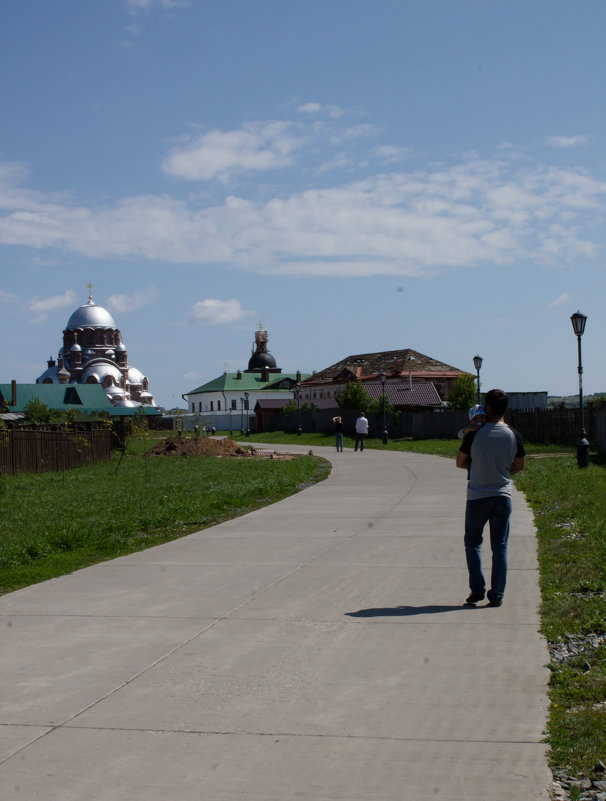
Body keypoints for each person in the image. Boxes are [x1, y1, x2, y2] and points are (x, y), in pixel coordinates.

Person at [456, 389, 525, 607]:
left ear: (487, 407)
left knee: (473, 543)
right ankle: (497, 595)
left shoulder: (475, 433)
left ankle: (477, 589)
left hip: (477, 496)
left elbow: (460, 462)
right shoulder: (514, 434)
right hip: (502, 496)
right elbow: (519, 466)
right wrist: (501, 472)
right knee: (500, 546)